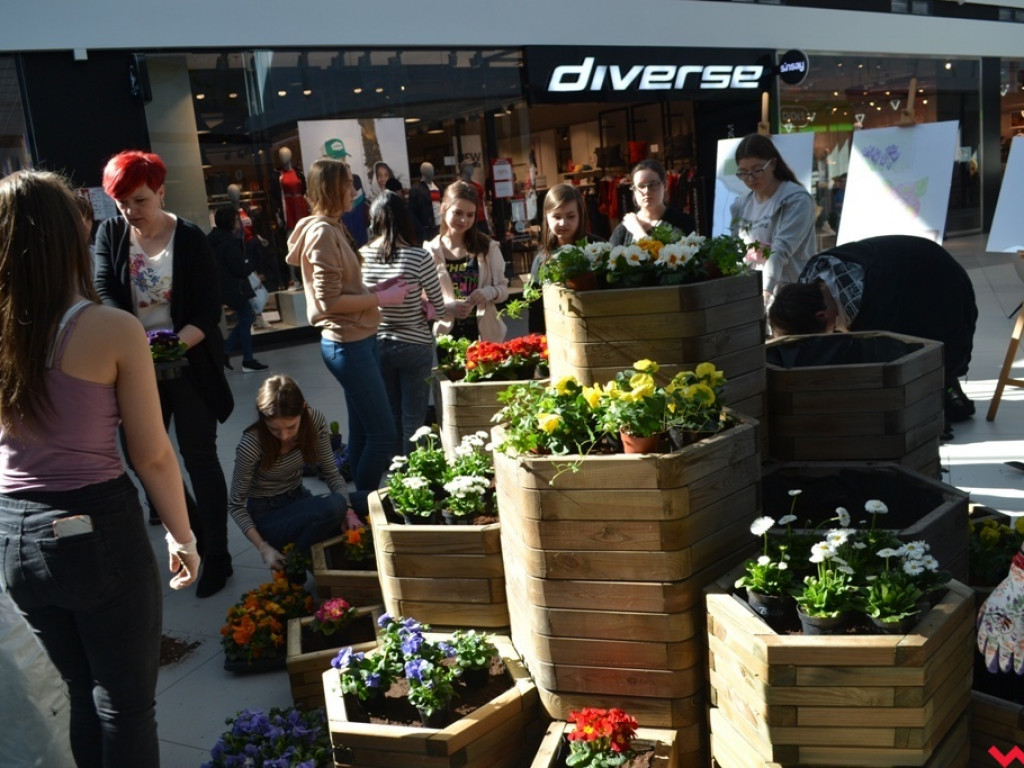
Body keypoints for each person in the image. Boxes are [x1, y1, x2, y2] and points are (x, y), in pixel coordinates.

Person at [0, 170, 200, 767]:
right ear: (70, 237)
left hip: (13, 532)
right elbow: (153, 454)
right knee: (126, 707)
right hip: (95, 528)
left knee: (81, 698)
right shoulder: (112, 329)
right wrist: (183, 536)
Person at [94, 150, 235, 598]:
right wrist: (137, 345)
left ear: (160, 191)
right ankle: (193, 534)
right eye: (121, 203)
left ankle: (219, 556)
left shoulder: (190, 238)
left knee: (199, 457)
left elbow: (208, 310)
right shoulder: (111, 234)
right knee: (142, 460)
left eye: (138, 201)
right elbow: (105, 292)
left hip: (190, 361)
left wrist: (173, 343)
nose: (130, 212)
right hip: (135, 367)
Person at [285, 157, 410, 500]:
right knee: (383, 434)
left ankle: (356, 506)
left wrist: (379, 293)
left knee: (363, 434)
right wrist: (381, 299)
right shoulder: (323, 232)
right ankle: (365, 505)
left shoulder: (332, 226)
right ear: (332, 188)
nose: (355, 191)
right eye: (350, 185)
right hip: (348, 344)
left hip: (357, 340)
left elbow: (344, 292)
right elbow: (327, 303)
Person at [767, 234, 977, 426]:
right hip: (901, 265)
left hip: (938, 278)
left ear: (822, 317)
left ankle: (945, 389)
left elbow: (881, 362)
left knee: (925, 355)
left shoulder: (870, 305)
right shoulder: (811, 283)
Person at [229, 375, 362, 568]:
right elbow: (236, 505)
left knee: (368, 502)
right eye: (274, 429)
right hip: (268, 515)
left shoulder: (314, 420)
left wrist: (349, 511)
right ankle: (292, 566)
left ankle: (311, 556)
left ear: (303, 409)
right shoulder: (252, 443)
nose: (284, 436)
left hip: (299, 499)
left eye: (291, 427)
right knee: (334, 506)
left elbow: (332, 473)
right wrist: (263, 547)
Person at [361, 191, 447, 455]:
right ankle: (414, 476)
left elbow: (362, 301)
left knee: (391, 413)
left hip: (378, 344)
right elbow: (441, 308)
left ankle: (395, 472)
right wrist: (425, 307)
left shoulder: (361, 256)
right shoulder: (419, 257)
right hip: (415, 345)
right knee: (414, 418)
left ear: (375, 220)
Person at [729, 134, 817, 299]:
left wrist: (765, 290)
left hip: (791, 296)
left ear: (773, 164)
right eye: (743, 172)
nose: (750, 178)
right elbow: (734, 249)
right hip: (752, 293)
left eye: (757, 170)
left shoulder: (796, 200)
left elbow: (780, 250)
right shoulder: (742, 204)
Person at [424, 180, 509, 343]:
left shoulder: (488, 247)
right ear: (443, 209)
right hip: (448, 339)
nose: (464, 220)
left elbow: (503, 290)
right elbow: (423, 301)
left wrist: (488, 292)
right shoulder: (430, 251)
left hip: (486, 338)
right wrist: (448, 307)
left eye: (470, 215)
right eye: (458, 213)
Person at [528, 183, 597, 334]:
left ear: (581, 215)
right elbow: (535, 311)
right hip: (556, 335)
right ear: (546, 217)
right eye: (557, 216)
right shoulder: (541, 259)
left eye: (570, 216)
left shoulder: (599, 249)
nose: (563, 223)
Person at [208, 205, 268, 373]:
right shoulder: (229, 242)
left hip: (223, 287)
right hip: (235, 288)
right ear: (230, 222)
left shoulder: (213, 240)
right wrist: (251, 263)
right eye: (236, 220)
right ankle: (246, 359)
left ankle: (228, 352)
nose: (238, 223)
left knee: (245, 319)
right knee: (246, 319)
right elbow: (239, 269)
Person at [609, 158, 697, 246]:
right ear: (634, 190)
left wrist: (638, 231)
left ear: (665, 186)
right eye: (641, 186)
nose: (646, 191)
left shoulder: (683, 223)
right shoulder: (624, 229)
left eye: (653, 185)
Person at [408, 161, 441, 245]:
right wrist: (419, 228)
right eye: (429, 170)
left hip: (439, 225)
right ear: (423, 172)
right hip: (425, 228)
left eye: (432, 170)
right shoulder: (416, 189)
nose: (432, 172)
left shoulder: (437, 186)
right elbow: (411, 210)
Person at [459, 160, 491, 236]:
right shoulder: (458, 187)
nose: (472, 168)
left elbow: (483, 204)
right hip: (467, 220)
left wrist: (488, 221)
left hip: (481, 219)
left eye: (473, 166)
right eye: (470, 166)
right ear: (464, 168)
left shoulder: (478, 186)